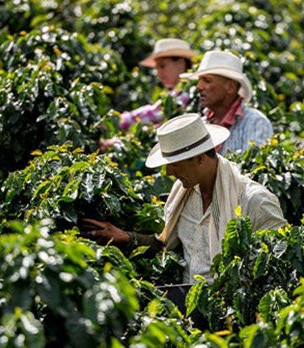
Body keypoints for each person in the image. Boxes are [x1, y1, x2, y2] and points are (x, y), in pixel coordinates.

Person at [83, 113, 286, 285]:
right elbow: (165, 244)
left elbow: (277, 269)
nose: (169, 172)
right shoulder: (184, 193)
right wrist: (127, 237)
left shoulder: (255, 202)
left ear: (199, 159)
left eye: (175, 164)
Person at [99, 38, 197, 152]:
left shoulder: (189, 90)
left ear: (180, 63)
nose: (158, 73)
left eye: (162, 66)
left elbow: (156, 114)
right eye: (157, 68)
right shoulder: (177, 92)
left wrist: (116, 122)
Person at [180, 50, 274, 154]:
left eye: (207, 80)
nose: (199, 87)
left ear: (231, 87)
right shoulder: (201, 124)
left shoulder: (255, 122)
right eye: (199, 80)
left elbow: (253, 168)